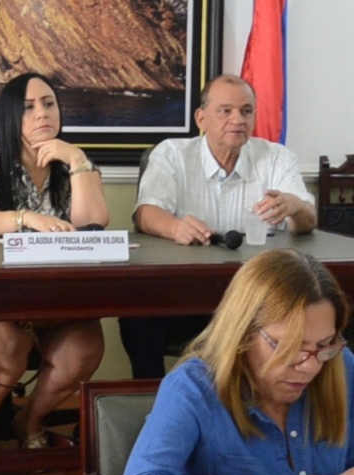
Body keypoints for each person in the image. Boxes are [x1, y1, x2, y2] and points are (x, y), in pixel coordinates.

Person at [117, 249, 354, 475]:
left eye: (324, 345)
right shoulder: (194, 387)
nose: (309, 367)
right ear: (243, 333)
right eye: (287, 347)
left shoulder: (340, 368)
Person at [0, 73, 108, 452]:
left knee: (84, 348)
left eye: (49, 104)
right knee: (6, 343)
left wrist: (78, 160)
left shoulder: (75, 164)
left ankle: (29, 420)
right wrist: (23, 219)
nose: (42, 114)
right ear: (10, 116)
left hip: (55, 300)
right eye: (29, 107)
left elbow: (93, 224)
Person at [119, 74, 318, 380]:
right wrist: (174, 228)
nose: (237, 120)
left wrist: (294, 205)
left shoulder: (276, 157)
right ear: (202, 118)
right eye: (225, 111)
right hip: (186, 295)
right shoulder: (172, 154)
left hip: (258, 301)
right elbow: (145, 213)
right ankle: (153, 407)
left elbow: (308, 219)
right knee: (137, 316)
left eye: (246, 111)